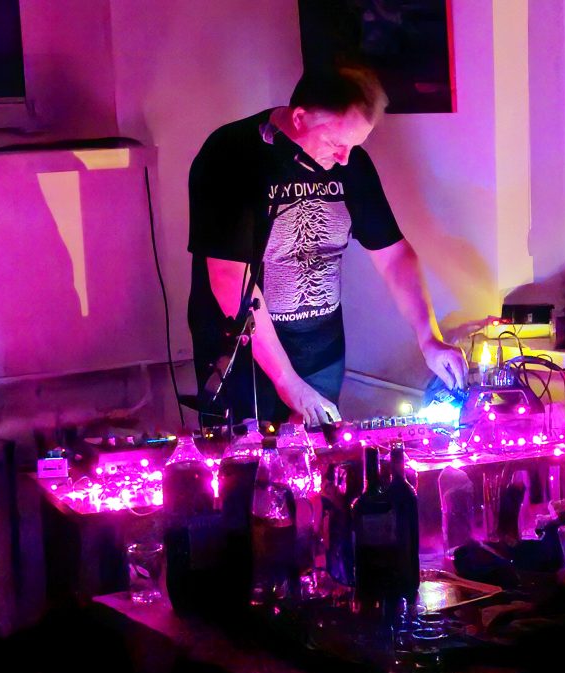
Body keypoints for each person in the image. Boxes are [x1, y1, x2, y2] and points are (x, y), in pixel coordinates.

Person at [187, 65, 467, 427]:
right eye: (337, 144)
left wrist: (429, 337)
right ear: (300, 118)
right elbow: (229, 278)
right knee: (252, 460)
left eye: (354, 146)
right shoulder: (231, 155)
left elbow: (393, 255)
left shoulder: (350, 163)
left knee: (322, 457)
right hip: (246, 362)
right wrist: (288, 382)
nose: (345, 159)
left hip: (320, 353)